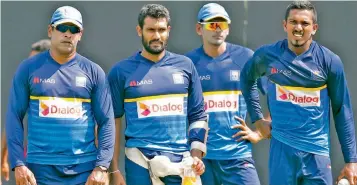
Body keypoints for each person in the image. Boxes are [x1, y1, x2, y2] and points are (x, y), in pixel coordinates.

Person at [240, 1, 357, 185]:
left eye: (305, 23)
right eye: (293, 22)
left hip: (317, 154)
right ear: (284, 25)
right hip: (281, 152)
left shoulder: (330, 61)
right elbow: (246, 79)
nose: (298, 28)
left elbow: (342, 111)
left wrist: (351, 161)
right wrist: (257, 119)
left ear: (315, 28)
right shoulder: (267, 56)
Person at [6, 6, 115, 185]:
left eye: (74, 29)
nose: (68, 34)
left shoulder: (94, 72)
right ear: (50, 30)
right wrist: (18, 163)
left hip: (84, 170)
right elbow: (14, 117)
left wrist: (102, 166)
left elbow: (106, 121)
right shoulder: (28, 69)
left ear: (80, 34)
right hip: (39, 170)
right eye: (62, 28)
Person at [108, 4, 207, 185]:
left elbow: (198, 115)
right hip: (139, 160)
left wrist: (196, 156)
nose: (156, 36)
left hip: (181, 161)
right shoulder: (120, 71)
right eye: (150, 30)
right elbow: (112, 121)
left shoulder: (185, 66)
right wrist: (113, 169)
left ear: (168, 30)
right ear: (140, 30)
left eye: (161, 29)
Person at [185, 3, 267, 185]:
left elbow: (278, 96)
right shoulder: (187, 63)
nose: (218, 29)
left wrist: (259, 133)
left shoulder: (246, 57)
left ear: (228, 29)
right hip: (201, 159)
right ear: (199, 29)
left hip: (238, 156)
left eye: (222, 24)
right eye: (212, 24)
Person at [1, 38, 51, 184]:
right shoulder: (28, 86)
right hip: (33, 160)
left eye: (34, 62)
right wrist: (3, 158)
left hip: (69, 162)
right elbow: (13, 120)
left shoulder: (73, 86)